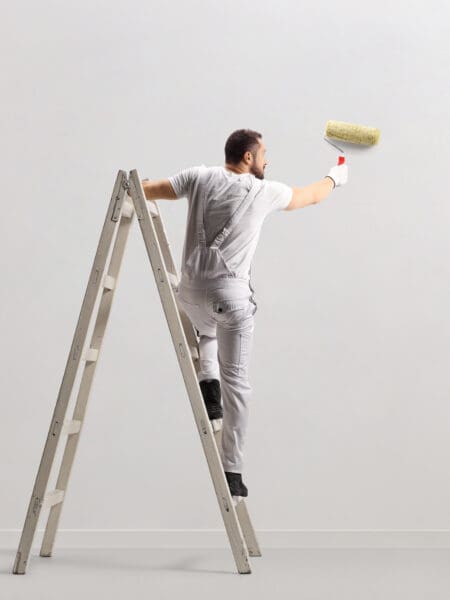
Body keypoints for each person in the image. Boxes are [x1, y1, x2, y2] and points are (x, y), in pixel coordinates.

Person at [136, 129, 348, 497]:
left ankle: (207, 380)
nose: (267, 159)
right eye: (264, 153)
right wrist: (335, 177)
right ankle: (232, 469)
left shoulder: (198, 177)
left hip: (190, 294)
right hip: (230, 298)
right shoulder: (264, 192)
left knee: (206, 328)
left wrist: (134, 182)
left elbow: (149, 190)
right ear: (248, 157)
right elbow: (310, 197)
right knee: (239, 383)